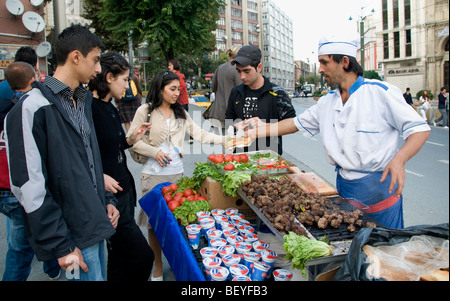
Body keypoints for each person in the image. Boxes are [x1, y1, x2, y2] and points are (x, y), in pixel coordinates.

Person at [244, 32, 430, 229]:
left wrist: (399, 159)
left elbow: (419, 130)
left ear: (345, 62)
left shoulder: (380, 93)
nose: (321, 69)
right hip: (345, 187)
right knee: (352, 245)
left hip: (380, 189)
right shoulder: (327, 102)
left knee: (384, 249)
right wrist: (257, 130)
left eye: (324, 63)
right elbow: (294, 124)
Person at [5, 24, 120, 281]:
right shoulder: (32, 108)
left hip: (94, 225)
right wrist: (61, 246)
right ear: (76, 57)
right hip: (71, 238)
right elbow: (28, 187)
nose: (99, 69)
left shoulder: (82, 100)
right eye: (96, 60)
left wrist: (106, 200)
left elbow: (87, 164)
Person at [127, 70, 228, 281]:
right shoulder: (145, 111)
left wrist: (226, 139)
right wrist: (155, 152)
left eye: (179, 89)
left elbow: (200, 134)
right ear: (160, 88)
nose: (177, 93)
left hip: (177, 176)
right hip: (152, 176)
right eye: (172, 89)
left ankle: (174, 260)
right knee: (154, 226)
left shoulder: (181, 113)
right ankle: (157, 265)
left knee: (177, 224)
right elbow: (131, 139)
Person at [88, 52, 154, 281]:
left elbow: (110, 147)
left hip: (124, 193)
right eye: (124, 79)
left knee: (118, 257)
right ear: (108, 77)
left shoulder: (109, 107)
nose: (128, 86)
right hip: (110, 201)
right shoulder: (89, 109)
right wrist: (98, 175)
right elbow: (82, 155)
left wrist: (130, 140)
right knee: (143, 257)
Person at [0, 61, 61, 281]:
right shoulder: (30, 108)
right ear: (33, 78)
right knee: (21, 250)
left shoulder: (9, 108)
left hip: (6, 189)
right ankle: (52, 268)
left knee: (31, 235)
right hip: (20, 189)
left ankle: (53, 268)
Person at [225, 45, 296, 155]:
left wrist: (265, 126)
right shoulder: (236, 92)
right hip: (240, 156)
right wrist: (237, 125)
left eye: (247, 71)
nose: (242, 76)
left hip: (269, 157)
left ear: (259, 67)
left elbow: (292, 125)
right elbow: (229, 119)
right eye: (238, 71)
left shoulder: (278, 93)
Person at [209, 46, 242, 135]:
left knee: (225, 141)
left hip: (219, 110)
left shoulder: (220, 68)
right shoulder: (237, 68)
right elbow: (241, 89)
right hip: (233, 112)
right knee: (234, 142)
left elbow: (214, 87)